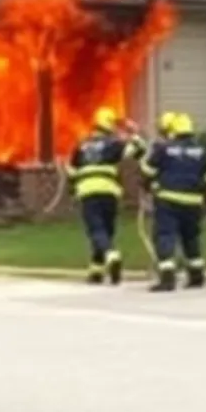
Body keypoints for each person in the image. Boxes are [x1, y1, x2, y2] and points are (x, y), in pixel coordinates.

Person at [139, 113, 206, 292]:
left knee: (165, 236)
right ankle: (197, 275)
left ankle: (167, 278)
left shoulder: (164, 149)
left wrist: (149, 186)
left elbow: (147, 171)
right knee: (191, 237)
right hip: (193, 202)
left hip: (168, 200)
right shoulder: (200, 151)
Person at [66, 106, 136, 284]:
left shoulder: (81, 145)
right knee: (106, 230)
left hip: (88, 192)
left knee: (97, 230)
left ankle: (111, 256)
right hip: (109, 192)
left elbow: (71, 171)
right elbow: (139, 150)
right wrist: (133, 132)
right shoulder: (115, 144)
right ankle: (96, 272)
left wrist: (72, 188)